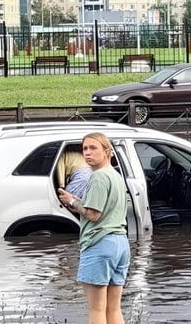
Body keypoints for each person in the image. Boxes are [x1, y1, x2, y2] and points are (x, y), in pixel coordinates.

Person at [58, 133, 129, 324]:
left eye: (93, 148)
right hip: (121, 244)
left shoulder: (97, 177)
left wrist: (71, 200)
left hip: (100, 244)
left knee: (96, 310)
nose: (88, 153)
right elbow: (101, 208)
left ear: (107, 151)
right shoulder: (115, 175)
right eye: (85, 149)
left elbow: (93, 214)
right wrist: (77, 201)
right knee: (113, 309)